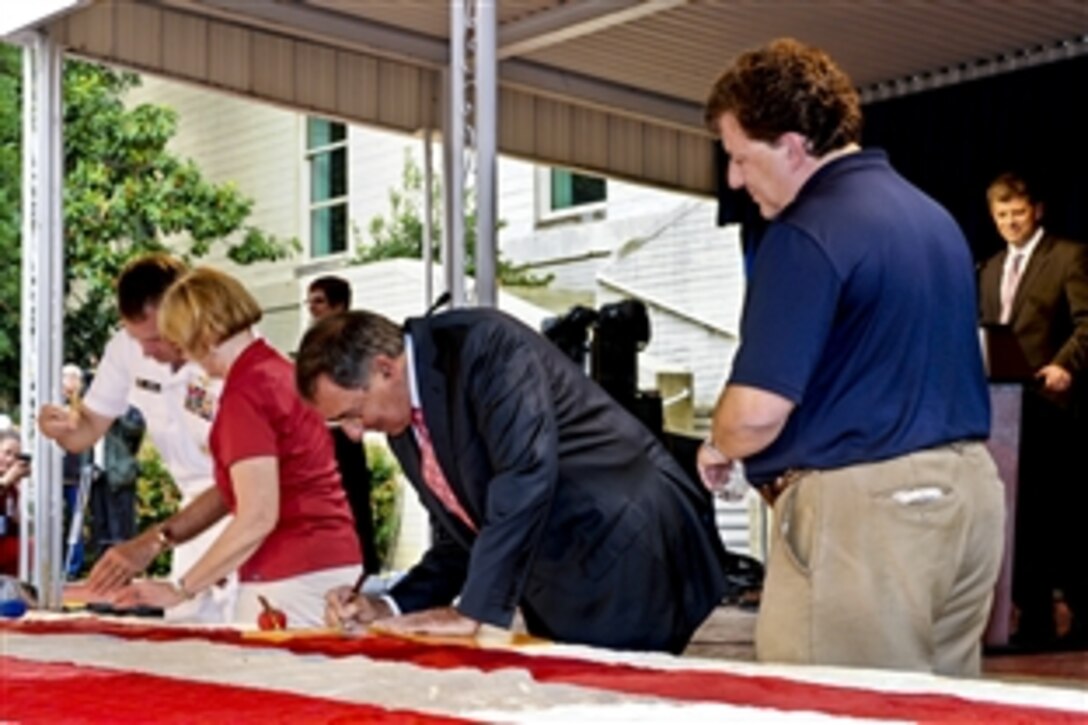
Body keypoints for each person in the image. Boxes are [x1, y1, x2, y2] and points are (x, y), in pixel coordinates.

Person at [698, 38, 1004, 676]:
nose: (733, 179)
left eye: (738, 157)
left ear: (791, 144)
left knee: (831, 706)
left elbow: (755, 413)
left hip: (867, 517)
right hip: (969, 498)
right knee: (943, 711)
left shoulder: (807, 232)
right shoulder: (935, 221)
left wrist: (720, 439)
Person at [296, 307, 729, 654]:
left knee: (609, 706)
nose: (355, 433)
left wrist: (471, 610)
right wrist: (386, 605)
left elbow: (524, 474)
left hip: (625, 547)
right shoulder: (403, 423)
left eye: (352, 414)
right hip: (565, 572)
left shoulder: (484, 346)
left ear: (385, 368)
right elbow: (461, 538)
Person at [102, 267, 361, 627]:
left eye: (179, 341)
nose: (180, 355)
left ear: (204, 335)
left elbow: (257, 514)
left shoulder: (246, 394)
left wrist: (182, 588)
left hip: (290, 572)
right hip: (325, 559)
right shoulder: (278, 371)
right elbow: (235, 492)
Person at [39, 254, 235, 622]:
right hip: (191, 516)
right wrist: (62, 428)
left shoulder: (233, 355)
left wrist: (153, 542)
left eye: (159, 338)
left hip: (246, 514)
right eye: (139, 338)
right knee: (192, 649)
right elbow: (85, 431)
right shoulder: (126, 348)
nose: (149, 351)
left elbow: (243, 483)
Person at [978, 172, 1088, 648]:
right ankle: (1032, 620)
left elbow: (1087, 323)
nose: (1010, 222)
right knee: (1017, 522)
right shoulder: (988, 268)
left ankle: (1076, 621)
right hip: (1004, 413)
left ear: (1036, 210)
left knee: (1057, 519)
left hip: (1053, 409)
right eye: (1001, 215)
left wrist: (1065, 366)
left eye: (1017, 213)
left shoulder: (1068, 256)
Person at [306, 275, 379, 577]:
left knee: (354, 500)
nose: (312, 310)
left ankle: (363, 569)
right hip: (321, 433)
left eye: (319, 302)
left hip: (346, 431)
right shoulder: (314, 343)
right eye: (309, 303)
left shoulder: (354, 341)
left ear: (339, 305)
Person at [88, 406, 146, 556]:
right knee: (100, 529)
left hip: (119, 475)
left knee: (121, 531)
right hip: (96, 475)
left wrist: (113, 413)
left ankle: (123, 573)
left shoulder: (129, 404)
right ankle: (102, 570)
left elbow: (136, 428)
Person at [60, 364, 92, 577]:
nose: (70, 382)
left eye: (74, 378)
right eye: (66, 378)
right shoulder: (53, 404)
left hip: (77, 473)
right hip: (55, 474)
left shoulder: (84, 407)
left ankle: (72, 567)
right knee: (53, 521)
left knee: (76, 521)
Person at [0, 429, 30, 576]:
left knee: (29, 547)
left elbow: (13, 525)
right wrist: (7, 480)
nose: (10, 459)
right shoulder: (6, 481)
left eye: (16, 456)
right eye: (6, 452)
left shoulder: (12, 488)